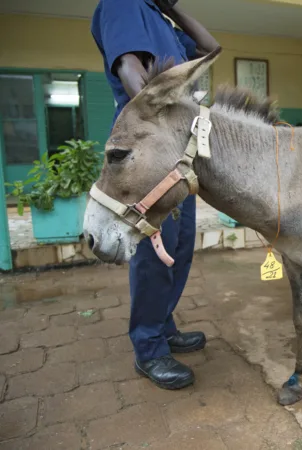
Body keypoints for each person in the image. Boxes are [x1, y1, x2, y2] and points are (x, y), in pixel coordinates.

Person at [91, 0, 220, 389]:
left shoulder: (163, 20)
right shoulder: (123, 4)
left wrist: (175, 12)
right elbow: (130, 67)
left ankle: (163, 327)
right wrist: (163, 125)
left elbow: (210, 50)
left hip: (178, 154)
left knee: (177, 250)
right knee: (153, 255)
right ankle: (148, 349)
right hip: (150, 152)